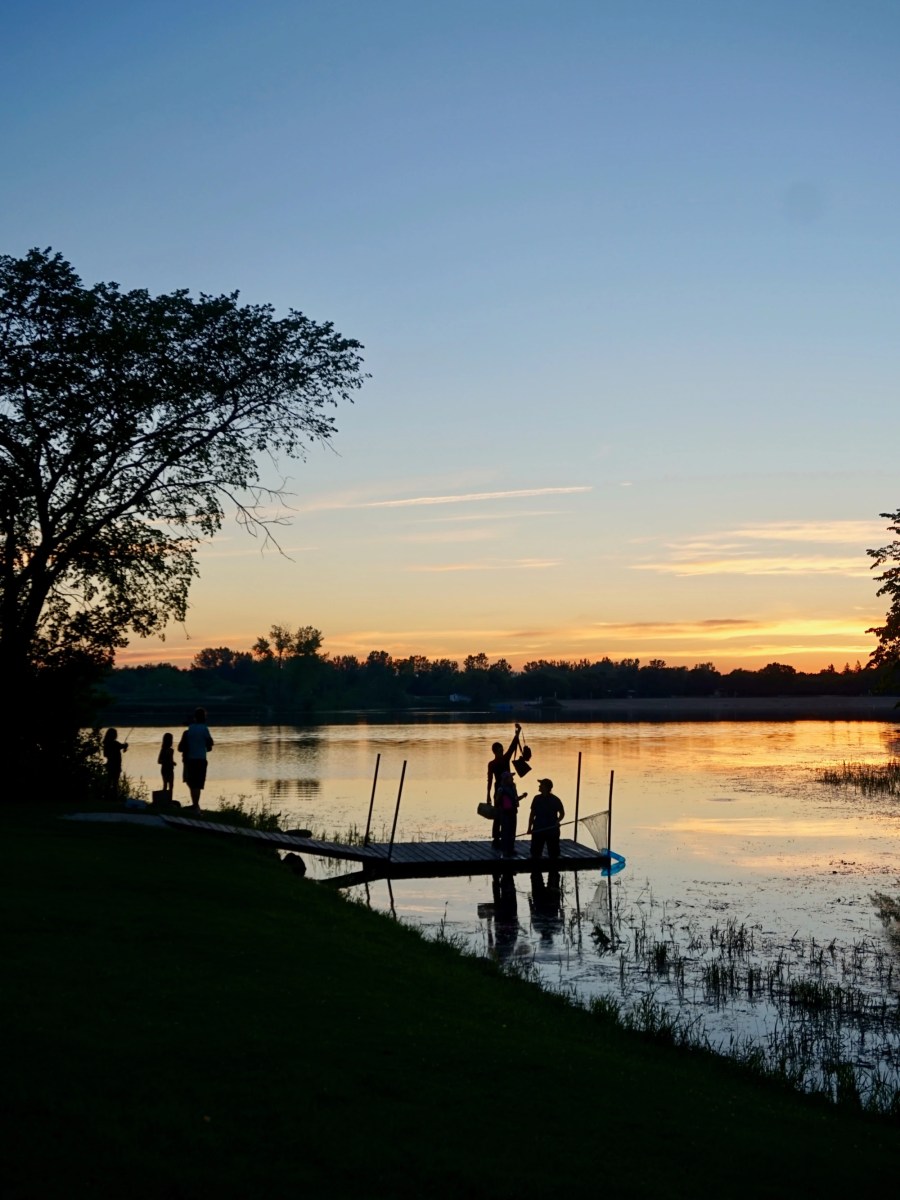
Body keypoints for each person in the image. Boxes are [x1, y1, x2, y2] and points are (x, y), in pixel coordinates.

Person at [486, 723, 521, 847]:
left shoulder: (506, 759)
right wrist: (488, 795)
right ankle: (496, 838)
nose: (502, 752)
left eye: (502, 750)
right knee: (498, 813)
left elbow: (512, 747)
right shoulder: (492, 764)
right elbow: (489, 779)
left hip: (509, 788)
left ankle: (508, 837)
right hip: (499, 789)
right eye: (500, 750)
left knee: (510, 811)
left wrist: (517, 733)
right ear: (495, 752)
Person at [178, 708, 214, 813]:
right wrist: (206, 747)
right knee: (198, 783)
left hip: (190, 759)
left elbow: (183, 745)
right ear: (204, 717)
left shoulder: (190, 728)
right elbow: (210, 744)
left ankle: (195, 805)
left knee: (191, 782)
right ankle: (195, 806)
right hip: (201, 759)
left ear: (195, 717)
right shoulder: (204, 729)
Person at [527, 778, 565, 861]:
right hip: (538, 829)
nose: (539, 786)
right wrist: (529, 828)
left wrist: (557, 821)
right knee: (535, 853)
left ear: (546, 788)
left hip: (552, 830)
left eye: (541, 785)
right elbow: (532, 814)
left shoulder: (555, 800)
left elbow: (562, 813)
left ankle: (554, 872)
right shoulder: (536, 798)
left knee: (554, 854)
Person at [496, 768, 525, 857]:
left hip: (513, 812)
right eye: (510, 778)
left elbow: (515, 799)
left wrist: (523, 796)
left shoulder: (513, 787)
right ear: (505, 779)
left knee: (512, 831)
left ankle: (511, 849)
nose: (512, 779)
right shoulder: (501, 789)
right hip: (505, 813)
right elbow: (497, 800)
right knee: (505, 832)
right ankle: (505, 850)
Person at [101, 728, 128, 799]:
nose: (116, 735)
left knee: (109, 781)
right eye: (115, 734)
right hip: (116, 765)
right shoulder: (115, 743)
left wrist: (124, 746)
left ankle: (106, 796)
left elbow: (105, 755)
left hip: (109, 764)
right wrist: (126, 746)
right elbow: (123, 746)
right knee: (115, 782)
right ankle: (114, 797)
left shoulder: (106, 743)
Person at [157, 732, 175, 797]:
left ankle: (169, 799)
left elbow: (170, 760)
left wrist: (172, 762)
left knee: (171, 785)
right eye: (171, 740)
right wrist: (169, 762)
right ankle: (165, 799)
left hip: (170, 769)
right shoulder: (163, 750)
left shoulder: (171, 750)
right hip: (165, 769)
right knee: (166, 785)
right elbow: (159, 761)